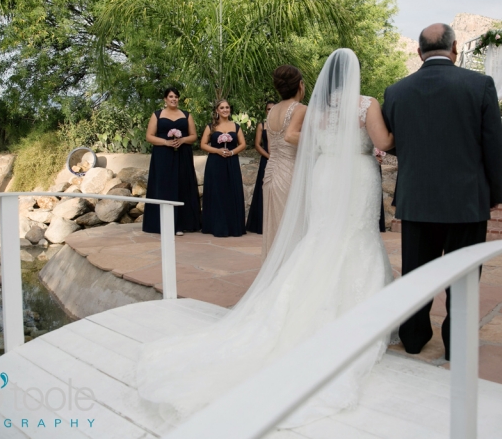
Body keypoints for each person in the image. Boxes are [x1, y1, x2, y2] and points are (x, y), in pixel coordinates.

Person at [137, 49, 395, 432]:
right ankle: (353, 310)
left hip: (325, 174)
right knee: (354, 237)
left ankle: (304, 302)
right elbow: (384, 142)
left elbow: (298, 141)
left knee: (323, 237)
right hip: (356, 175)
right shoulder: (366, 104)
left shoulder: (319, 109)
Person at [382, 23, 502, 361]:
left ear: (419, 52)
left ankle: (413, 337)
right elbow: (493, 144)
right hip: (467, 200)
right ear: (455, 49)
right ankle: (456, 342)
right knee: (463, 275)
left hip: (417, 197)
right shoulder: (479, 85)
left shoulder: (396, 91)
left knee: (416, 273)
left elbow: (394, 144)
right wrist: (494, 192)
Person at [261, 65, 307, 259]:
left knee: (275, 225)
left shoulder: (272, 112)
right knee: (293, 225)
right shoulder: (301, 109)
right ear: (300, 85)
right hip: (290, 171)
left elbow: (271, 148)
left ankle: (274, 271)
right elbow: (292, 137)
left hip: (271, 171)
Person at [142, 87, 201, 236]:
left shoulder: (187, 115)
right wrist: (166, 142)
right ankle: (161, 224)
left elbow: (194, 136)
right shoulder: (157, 115)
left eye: (176, 97)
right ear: (165, 99)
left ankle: (182, 223)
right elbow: (149, 136)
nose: (173, 99)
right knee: (164, 186)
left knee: (182, 185)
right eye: (170, 96)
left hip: (183, 154)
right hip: (163, 155)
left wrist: (183, 140)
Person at [200, 99, 247, 237]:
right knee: (217, 192)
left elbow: (243, 144)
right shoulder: (211, 127)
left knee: (231, 191)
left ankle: (233, 226)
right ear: (217, 110)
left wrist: (232, 152)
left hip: (231, 162)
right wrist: (217, 151)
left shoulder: (236, 126)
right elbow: (203, 144)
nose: (225, 109)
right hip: (215, 162)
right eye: (222, 107)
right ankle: (215, 226)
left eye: (227, 107)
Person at [246, 101, 276, 233]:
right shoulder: (261, 125)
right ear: (266, 111)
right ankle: (259, 223)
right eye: (269, 109)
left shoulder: (282, 124)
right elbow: (257, 145)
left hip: (280, 159)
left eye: (273, 109)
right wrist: (269, 157)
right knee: (263, 188)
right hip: (266, 159)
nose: (271, 111)